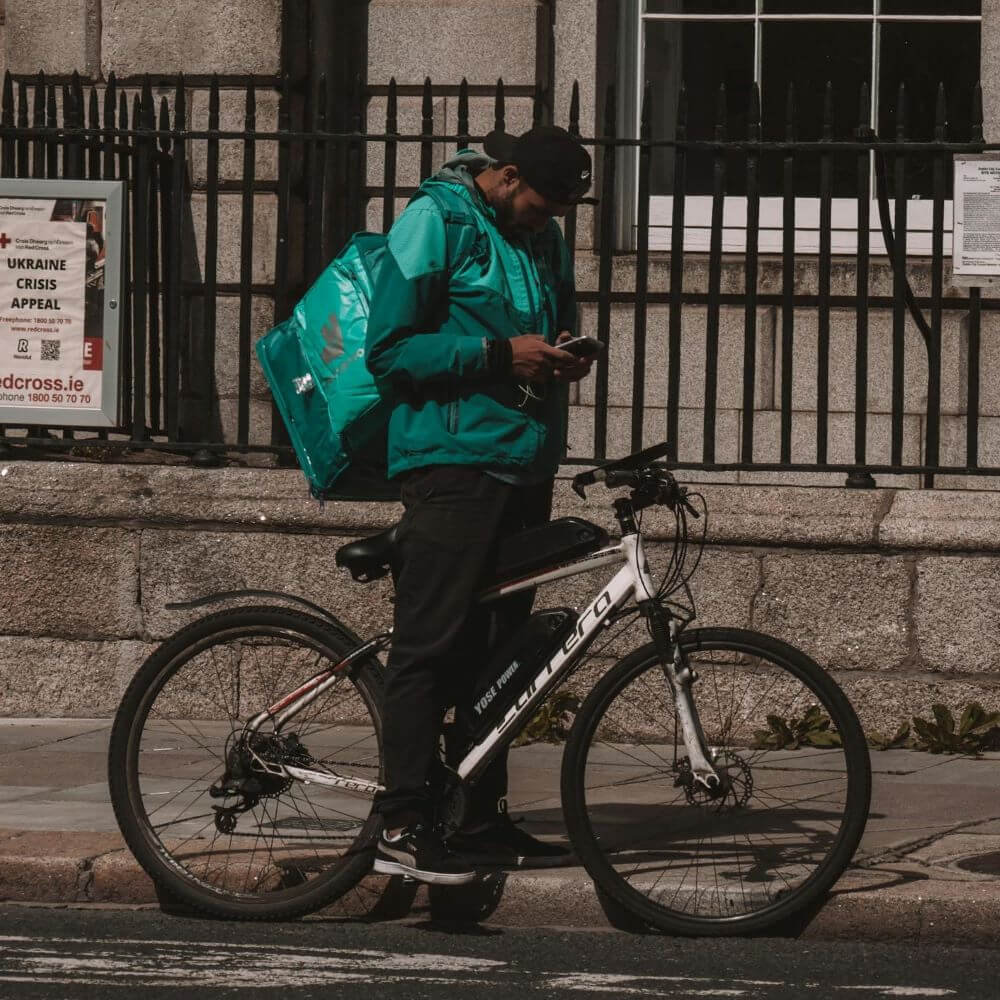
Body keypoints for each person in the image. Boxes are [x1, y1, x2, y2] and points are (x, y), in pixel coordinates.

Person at [365, 125, 596, 885]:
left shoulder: (544, 238)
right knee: (430, 647)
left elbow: (546, 322)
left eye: (556, 212)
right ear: (503, 175)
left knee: (502, 659)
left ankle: (479, 819)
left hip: (522, 463)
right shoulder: (436, 221)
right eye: (536, 205)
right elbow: (391, 350)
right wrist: (501, 356)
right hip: (450, 463)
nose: (544, 222)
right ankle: (401, 822)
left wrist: (560, 353)